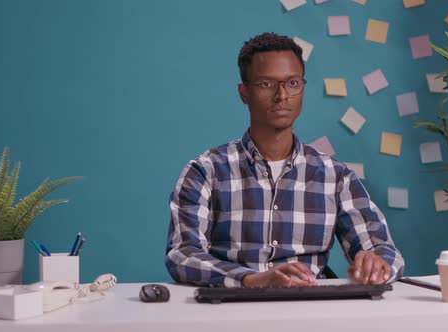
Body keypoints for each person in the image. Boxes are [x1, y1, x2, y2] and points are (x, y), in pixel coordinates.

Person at [165, 32, 404, 288]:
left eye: (292, 83)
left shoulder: (336, 177)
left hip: (312, 313)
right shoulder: (205, 171)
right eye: (267, 84)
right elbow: (183, 255)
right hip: (232, 310)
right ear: (244, 92)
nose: (282, 96)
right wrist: (250, 279)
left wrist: (376, 265)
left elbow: (385, 252)